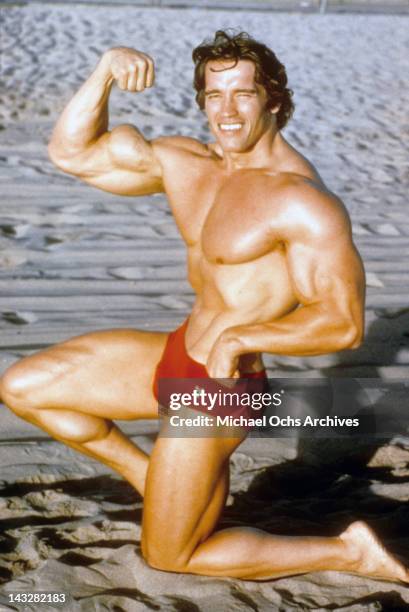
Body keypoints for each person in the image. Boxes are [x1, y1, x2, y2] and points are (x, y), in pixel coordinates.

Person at [1, 30, 407, 582]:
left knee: (170, 556)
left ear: (275, 101)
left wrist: (242, 339)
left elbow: (343, 324)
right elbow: (70, 152)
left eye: (243, 94)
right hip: (179, 352)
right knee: (24, 386)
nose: (227, 111)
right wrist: (104, 72)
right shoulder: (187, 162)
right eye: (214, 96)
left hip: (220, 391)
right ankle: (152, 477)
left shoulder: (301, 201)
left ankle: (348, 551)